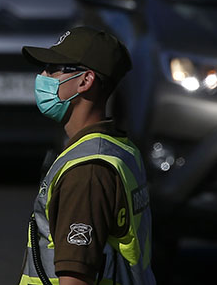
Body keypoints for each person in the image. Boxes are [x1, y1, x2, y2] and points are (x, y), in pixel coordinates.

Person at [18, 27, 156, 285]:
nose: (42, 76)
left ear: (85, 80)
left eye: (52, 68)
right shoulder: (120, 149)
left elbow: (76, 278)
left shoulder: (87, 172)